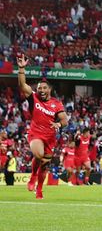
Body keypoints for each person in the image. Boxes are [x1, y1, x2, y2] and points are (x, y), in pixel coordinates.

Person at [17, 54, 68, 199]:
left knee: (45, 165)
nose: (41, 90)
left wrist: (58, 123)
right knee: (38, 154)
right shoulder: (33, 97)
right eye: (39, 88)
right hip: (35, 133)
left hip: (50, 137)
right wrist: (21, 69)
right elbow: (22, 85)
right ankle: (32, 176)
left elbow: (65, 120)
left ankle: (39, 189)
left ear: (49, 90)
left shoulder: (56, 104)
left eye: (44, 88)